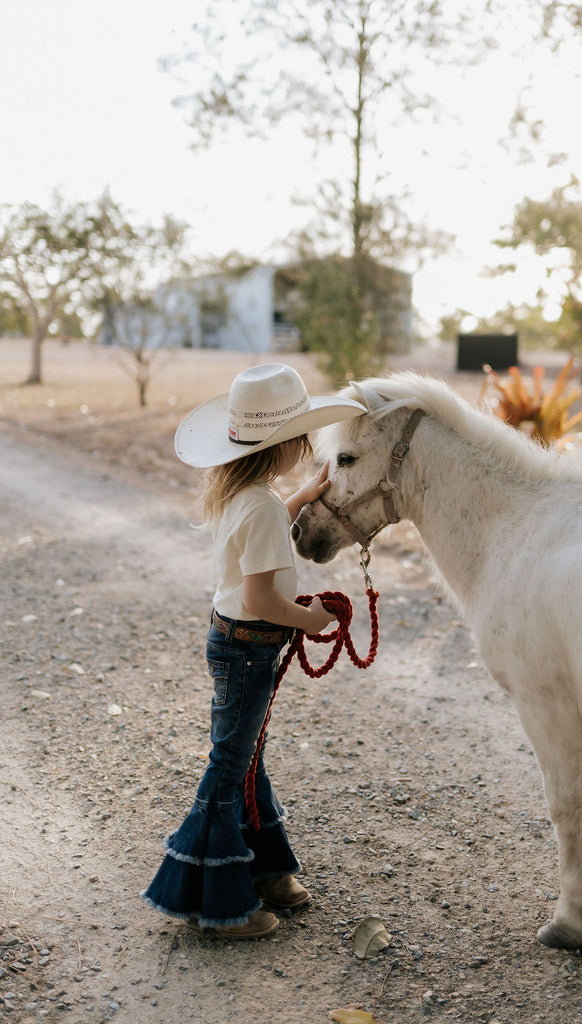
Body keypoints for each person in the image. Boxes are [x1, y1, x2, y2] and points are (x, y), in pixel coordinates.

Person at [142, 363, 364, 939]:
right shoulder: (260, 505)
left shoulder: (243, 493)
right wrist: (312, 620)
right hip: (250, 648)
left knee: (245, 761)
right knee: (228, 769)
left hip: (232, 643)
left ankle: (264, 870)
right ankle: (217, 906)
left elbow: (260, 536)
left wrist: (300, 498)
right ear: (286, 444)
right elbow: (264, 598)